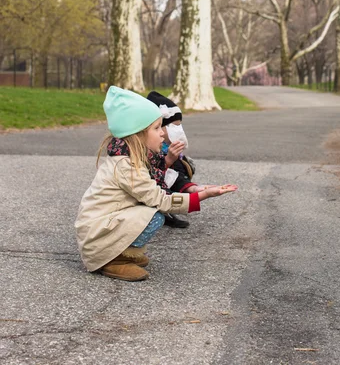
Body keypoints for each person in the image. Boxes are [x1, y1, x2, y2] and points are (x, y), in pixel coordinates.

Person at [75, 86, 237, 282]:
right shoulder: (127, 166)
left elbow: (157, 181)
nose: (162, 133)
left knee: (152, 210)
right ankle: (112, 260)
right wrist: (201, 196)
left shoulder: (133, 158)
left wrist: (190, 184)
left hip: (101, 230)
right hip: (97, 238)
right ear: (138, 133)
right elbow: (159, 199)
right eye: (157, 128)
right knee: (155, 215)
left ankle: (121, 252)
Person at [147, 91, 204, 229]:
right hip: (145, 190)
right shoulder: (146, 148)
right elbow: (149, 174)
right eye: (173, 126)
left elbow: (177, 171)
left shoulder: (166, 145)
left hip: (163, 181)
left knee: (185, 165)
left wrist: (191, 188)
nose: (178, 130)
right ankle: (158, 208)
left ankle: (172, 202)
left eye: (179, 125)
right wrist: (167, 160)